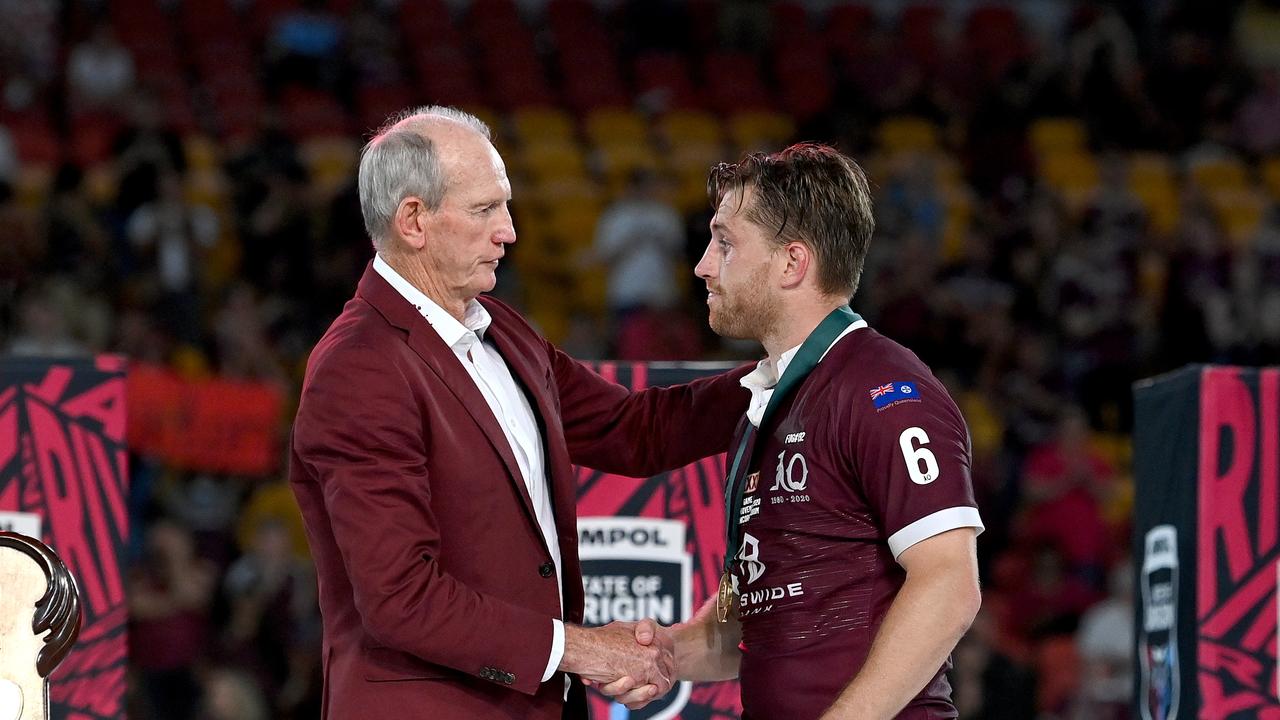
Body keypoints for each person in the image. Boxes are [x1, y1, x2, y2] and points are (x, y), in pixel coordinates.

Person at [288, 106, 750, 720]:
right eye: (484, 210)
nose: (508, 231)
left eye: (504, 207)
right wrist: (580, 649)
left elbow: (635, 430)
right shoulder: (360, 368)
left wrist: (791, 375)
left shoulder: (501, 328)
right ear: (414, 221)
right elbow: (400, 598)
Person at [600, 144, 984, 719]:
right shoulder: (768, 400)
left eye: (725, 243)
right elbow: (761, 616)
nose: (703, 265)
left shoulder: (884, 388)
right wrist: (667, 653)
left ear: (791, 263)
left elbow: (950, 585)